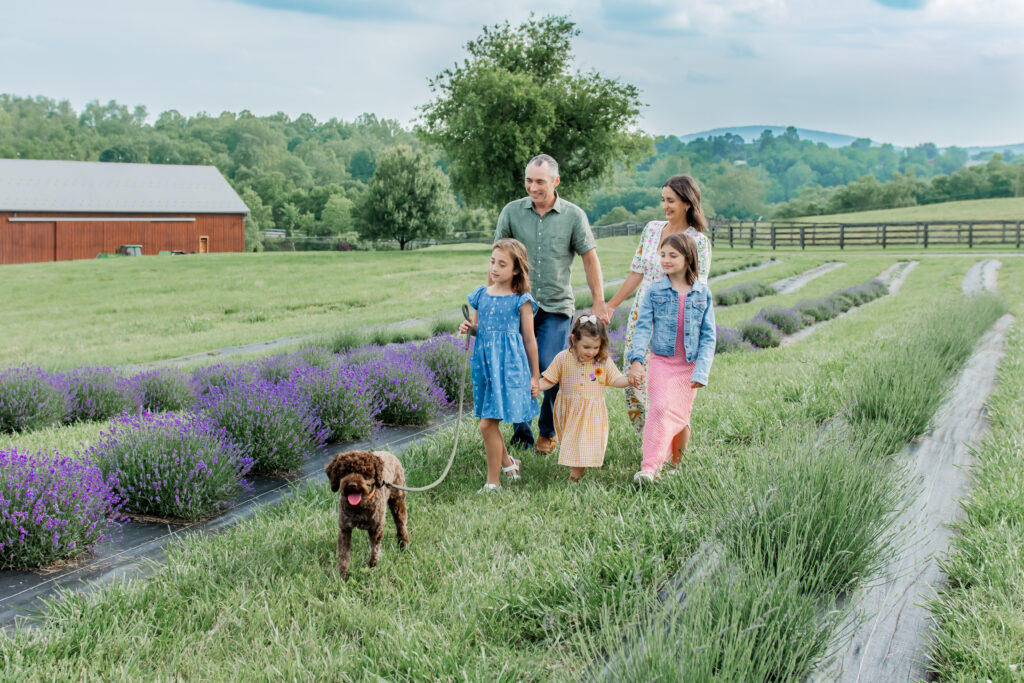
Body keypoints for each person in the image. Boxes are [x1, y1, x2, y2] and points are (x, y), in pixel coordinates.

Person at [495, 154, 606, 455]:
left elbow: (589, 258)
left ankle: (547, 428)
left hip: (557, 306)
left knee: (550, 367)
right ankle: (521, 431)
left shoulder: (573, 216)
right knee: (516, 368)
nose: (533, 187)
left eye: (540, 182)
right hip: (519, 305)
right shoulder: (511, 212)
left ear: (556, 181)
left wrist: (598, 301)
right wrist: (493, 298)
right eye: (529, 180)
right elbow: (498, 258)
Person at [604, 174, 712, 461]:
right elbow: (637, 272)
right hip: (642, 315)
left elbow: (697, 288)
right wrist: (611, 306)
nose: (665, 205)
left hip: (674, 320)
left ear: (687, 203)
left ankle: (674, 457)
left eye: (671, 200)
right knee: (637, 382)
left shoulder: (698, 242)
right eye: (663, 199)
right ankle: (654, 441)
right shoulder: (651, 229)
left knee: (670, 390)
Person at [626, 233, 716, 484]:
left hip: (689, 365)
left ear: (687, 258)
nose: (665, 260)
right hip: (662, 361)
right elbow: (642, 328)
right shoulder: (655, 291)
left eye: (672, 255)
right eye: (663, 254)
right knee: (659, 408)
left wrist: (702, 371)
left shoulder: (702, 293)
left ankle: (677, 463)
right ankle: (649, 468)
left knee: (681, 414)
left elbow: (709, 336)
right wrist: (637, 361)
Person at [460, 239, 541, 493]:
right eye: (493, 261)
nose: (494, 268)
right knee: (490, 423)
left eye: (502, 264)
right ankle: (509, 462)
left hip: (508, 368)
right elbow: (480, 329)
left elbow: (529, 339)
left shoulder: (521, 300)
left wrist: (535, 375)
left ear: (516, 269)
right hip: (485, 366)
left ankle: (493, 483)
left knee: (487, 424)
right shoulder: (481, 295)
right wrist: (470, 329)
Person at [538, 315, 629, 483]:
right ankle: (576, 468)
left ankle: (574, 477)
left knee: (581, 443)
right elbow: (549, 380)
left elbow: (615, 379)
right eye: (586, 347)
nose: (591, 352)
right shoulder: (563, 358)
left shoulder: (601, 362)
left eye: (596, 347)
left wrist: (629, 380)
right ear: (573, 339)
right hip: (568, 410)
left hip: (590, 412)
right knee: (572, 442)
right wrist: (537, 385)